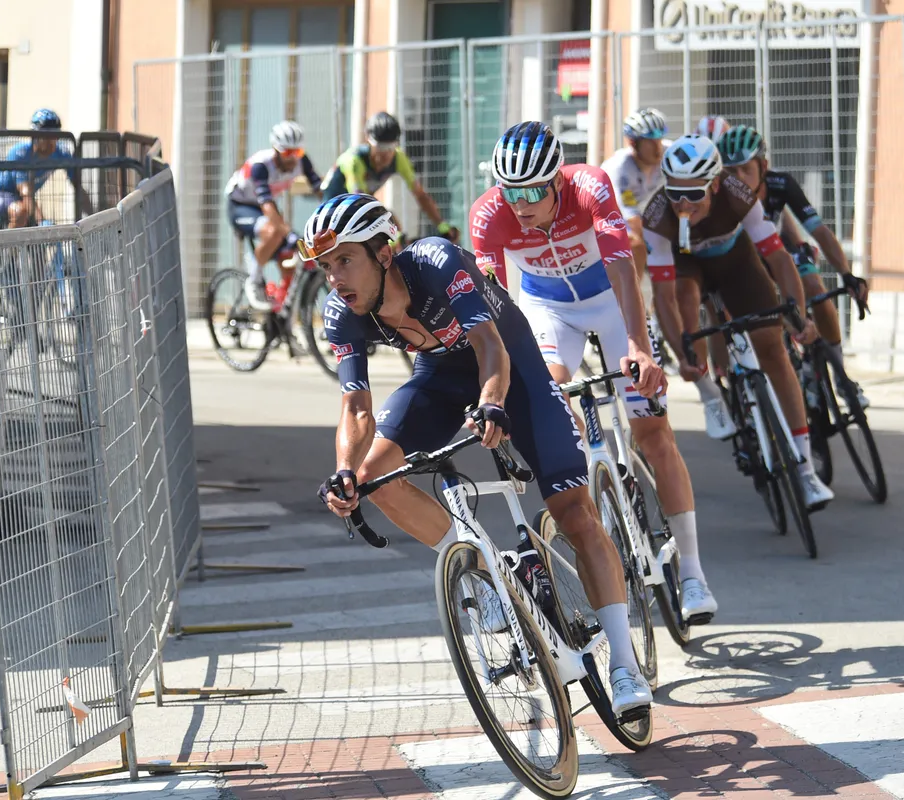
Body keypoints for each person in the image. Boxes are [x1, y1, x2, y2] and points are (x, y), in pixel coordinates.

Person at [311, 193, 653, 715]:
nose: (335, 278)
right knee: (373, 477)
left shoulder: (435, 261)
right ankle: (490, 573)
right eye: (326, 267)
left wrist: (492, 403)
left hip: (513, 367)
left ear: (383, 254)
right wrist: (343, 473)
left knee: (574, 512)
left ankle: (625, 665)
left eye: (344, 260)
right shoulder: (342, 312)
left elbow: (491, 346)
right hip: (440, 379)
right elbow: (356, 407)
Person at [471, 121, 719, 623]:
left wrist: (639, 347)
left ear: (557, 182)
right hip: (547, 310)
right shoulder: (490, 214)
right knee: (551, 393)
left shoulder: (589, 185)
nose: (521, 204)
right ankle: (587, 486)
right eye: (511, 191)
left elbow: (623, 269)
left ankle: (693, 572)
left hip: (608, 301)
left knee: (654, 434)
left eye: (533, 191)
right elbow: (491, 306)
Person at [642, 134, 835, 509]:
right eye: (675, 194)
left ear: (715, 184)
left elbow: (778, 258)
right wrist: (682, 353)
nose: (682, 205)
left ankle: (806, 470)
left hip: (735, 262)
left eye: (693, 194)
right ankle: (709, 393)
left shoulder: (737, 193)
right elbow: (663, 298)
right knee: (686, 300)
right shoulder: (657, 216)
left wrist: (797, 314)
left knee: (773, 351)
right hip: (688, 267)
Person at [601, 108, 736, 440]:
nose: (658, 148)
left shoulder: (670, 157)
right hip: (629, 238)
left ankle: (717, 373)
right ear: (633, 143)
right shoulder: (618, 169)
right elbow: (632, 223)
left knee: (691, 295)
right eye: (650, 142)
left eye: (660, 140)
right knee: (636, 243)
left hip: (670, 234)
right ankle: (634, 304)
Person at [716, 125, 870, 408]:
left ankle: (840, 374)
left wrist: (847, 274)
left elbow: (819, 231)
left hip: (779, 253)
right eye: (730, 171)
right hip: (746, 263)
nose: (738, 178)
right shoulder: (722, 197)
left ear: (763, 167)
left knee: (815, 288)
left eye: (745, 169)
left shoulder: (781, 184)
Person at [224, 121, 323, 311]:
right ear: (276, 150)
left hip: (265, 208)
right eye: (287, 153)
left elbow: (320, 191)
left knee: (289, 259)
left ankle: (279, 312)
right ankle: (254, 279)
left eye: (297, 152)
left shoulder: (302, 162)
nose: (293, 158)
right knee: (275, 232)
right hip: (241, 206)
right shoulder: (261, 165)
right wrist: (288, 233)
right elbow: (267, 205)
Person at [321, 112, 459, 242]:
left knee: (390, 222)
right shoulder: (354, 161)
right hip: (332, 216)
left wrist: (442, 225)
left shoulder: (399, 158)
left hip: (356, 209)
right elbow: (359, 201)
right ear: (368, 141)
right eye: (380, 147)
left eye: (390, 147)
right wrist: (392, 234)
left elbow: (421, 195)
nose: (385, 154)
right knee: (388, 224)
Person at [0, 109, 94, 229]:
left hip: (24, 199)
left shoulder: (61, 153)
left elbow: (78, 188)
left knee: (27, 213)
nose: (52, 141)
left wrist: (93, 218)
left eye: (55, 136)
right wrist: (41, 222)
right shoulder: (20, 153)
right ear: (35, 136)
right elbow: (26, 192)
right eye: (46, 137)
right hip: (2, 194)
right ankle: (7, 242)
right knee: (20, 212)